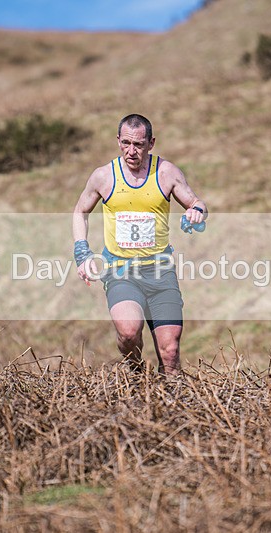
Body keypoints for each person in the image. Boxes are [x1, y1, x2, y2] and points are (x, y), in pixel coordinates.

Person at [72, 114, 208, 374]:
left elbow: (196, 203)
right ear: (118, 141)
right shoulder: (103, 176)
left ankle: (172, 404)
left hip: (160, 273)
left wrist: (197, 212)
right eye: (125, 143)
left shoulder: (166, 172)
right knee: (129, 333)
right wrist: (82, 251)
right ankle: (135, 377)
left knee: (170, 352)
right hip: (121, 272)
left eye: (139, 144)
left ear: (151, 143)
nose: (131, 151)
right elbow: (80, 211)